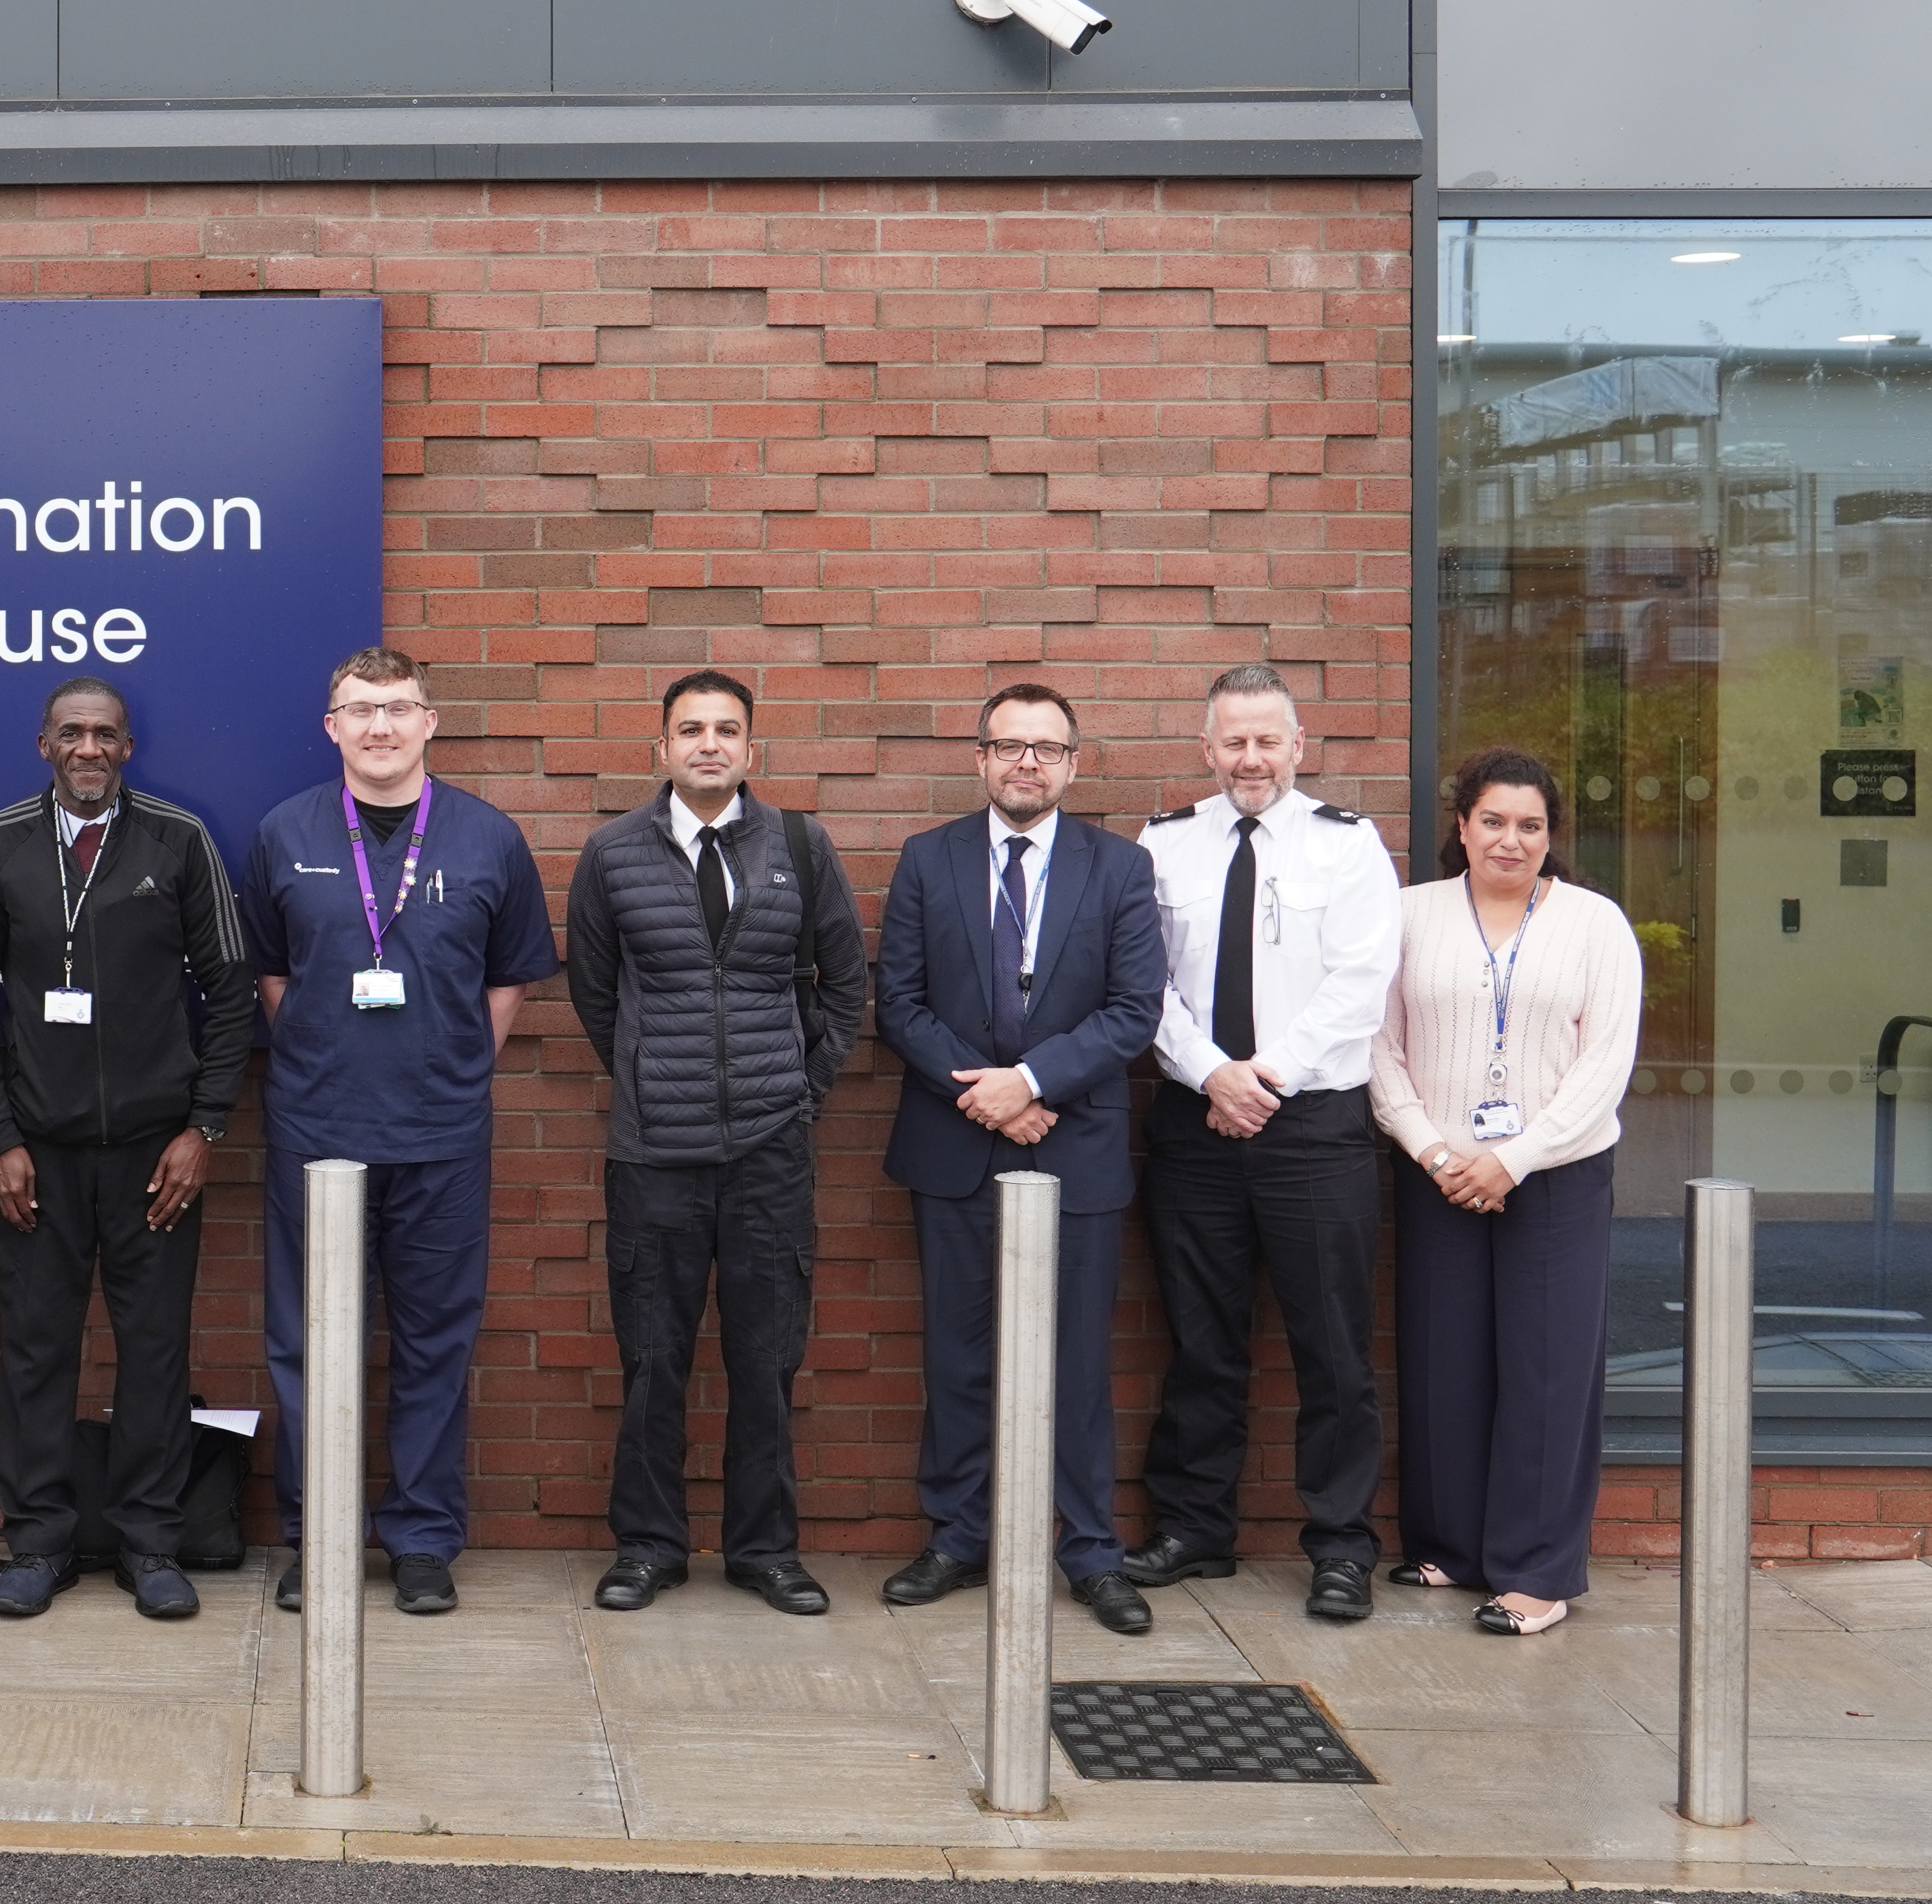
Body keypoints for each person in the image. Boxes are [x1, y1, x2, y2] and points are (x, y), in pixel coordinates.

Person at [238, 647, 559, 1618]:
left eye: (398, 709)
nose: (380, 727)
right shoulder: (283, 832)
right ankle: (320, 1535)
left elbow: (507, 984)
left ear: (431, 722)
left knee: (434, 1341)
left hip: (443, 1135)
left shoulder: (488, 838)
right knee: (310, 1342)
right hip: (317, 1130)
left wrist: (447, 1063)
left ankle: (421, 1536)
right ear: (331, 726)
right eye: (359, 710)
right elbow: (272, 978)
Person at [0, 675, 252, 1622]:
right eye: (71, 734)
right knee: (38, 1348)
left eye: (105, 735)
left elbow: (231, 991)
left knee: (155, 1348)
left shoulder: (180, 840)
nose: (88, 749)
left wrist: (202, 1130)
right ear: (44, 745)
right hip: (38, 1154)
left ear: (127, 747)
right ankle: (37, 1541)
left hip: (159, 1155)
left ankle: (152, 1539)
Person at [562, 669, 867, 1618]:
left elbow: (845, 988)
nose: (708, 744)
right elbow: (596, 995)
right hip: (654, 1154)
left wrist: (798, 1094)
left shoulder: (803, 849)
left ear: (749, 749)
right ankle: (648, 1548)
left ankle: (763, 1550)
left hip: (771, 1154)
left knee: (767, 1359)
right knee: (653, 1359)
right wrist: (654, 1079)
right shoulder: (612, 854)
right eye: (689, 729)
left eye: (726, 730)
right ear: (660, 748)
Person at [872, 683, 1166, 1635]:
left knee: (1077, 1362)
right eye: (1008, 746)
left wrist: (1031, 1084)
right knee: (958, 1356)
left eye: (1045, 748)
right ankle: (957, 1536)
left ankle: (1089, 1550)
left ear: (1074, 764)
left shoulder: (1120, 869)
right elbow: (899, 1003)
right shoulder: (928, 860)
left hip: (1073, 1147)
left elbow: (1133, 1012)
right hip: (955, 1144)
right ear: (982, 759)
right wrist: (986, 1096)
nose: (1026, 763)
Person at [1125, 664, 1408, 1624]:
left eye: (1268, 741)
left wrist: (1261, 1077)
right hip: (1196, 1123)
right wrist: (1213, 1074)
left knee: (1331, 1348)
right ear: (1206, 750)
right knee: (1201, 1342)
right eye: (1233, 742)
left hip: (1314, 1129)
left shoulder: (1351, 846)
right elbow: (1140, 986)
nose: (1251, 758)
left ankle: (1339, 1547)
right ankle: (1195, 1527)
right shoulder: (1162, 846)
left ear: (1299, 746)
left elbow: (1362, 984)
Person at [1370, 748, 1641, 1638]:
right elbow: (1379, 1048)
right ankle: (1450, 1544)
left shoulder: (1596, 925)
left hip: (1555, 1178)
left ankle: (1536, 1573)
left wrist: (1515, 1158)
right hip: (1436, 1170)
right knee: (1444, 1362)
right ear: (1462, 826)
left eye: (1529, 825)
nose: (1510, 840)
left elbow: (1604, 1066)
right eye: (1493, 821)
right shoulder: (1409, 916)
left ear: (1550, 835)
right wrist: (1434, 1151)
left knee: (1548, 1373)